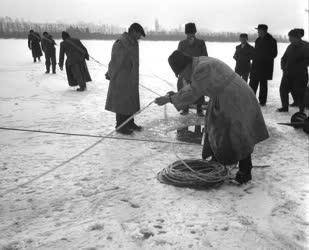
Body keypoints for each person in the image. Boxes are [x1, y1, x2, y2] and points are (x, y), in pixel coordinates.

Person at [154, 51, 269, 184]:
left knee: (237, 132)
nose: (183, 76)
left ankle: (245, 171)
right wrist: (175, 95)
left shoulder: (202, 68)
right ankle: (217, 160)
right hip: (225, 96)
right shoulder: (199, 62)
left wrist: (170, 99)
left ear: (186, 66)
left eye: (181, 73)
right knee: (214, 124)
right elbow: (194, 87)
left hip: (235, 98)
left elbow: (193, 92)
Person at [105, 23, 146, 135]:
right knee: (122, 103)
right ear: (133, 31)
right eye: (138, 34)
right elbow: (115, 61)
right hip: (121, 78)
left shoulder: (133, 42)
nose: (139, 37)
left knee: (130, 102)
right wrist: (110, 73)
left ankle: (129, 123)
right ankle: (120, 126)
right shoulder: (122, 43)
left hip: (131, 78)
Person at [177, 22, 208, 116]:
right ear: (186, 33)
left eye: (192, 32)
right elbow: (178, 57)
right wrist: (179, 70)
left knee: (199, 89)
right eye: (188, 33)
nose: (190, 34)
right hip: (185, 71)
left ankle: (199, 108)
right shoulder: (182, 43)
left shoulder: (201, 43)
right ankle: (185, 108)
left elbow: (205, 56)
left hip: (197, 69)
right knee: (184, 89)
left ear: (195, 32)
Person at [278, 29, 309, 113]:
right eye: (289, 37)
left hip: (300, 74)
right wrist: (283, 67)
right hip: (287, 73)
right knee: (283, 90)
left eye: (291, 37)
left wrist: (298, 67)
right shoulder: (290, 46)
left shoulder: (306, 46)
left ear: (297, 37)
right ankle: (285, 107)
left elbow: (307, 60)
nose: (289, 39)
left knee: (300, 92)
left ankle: (301, 110)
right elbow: (284, 58)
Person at [249, 24, 277, 106]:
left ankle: (262, 102)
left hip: (264, 67)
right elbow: (256, 51)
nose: (258, 32)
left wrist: (262, 57)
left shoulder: (271, 40)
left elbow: (274, 54)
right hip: (256, 65)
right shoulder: (258, 40)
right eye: (258, 30)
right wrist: (253, 56)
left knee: (263, 85)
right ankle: (250, 99)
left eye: (259, 30)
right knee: (252, 84)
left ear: (264, 31)